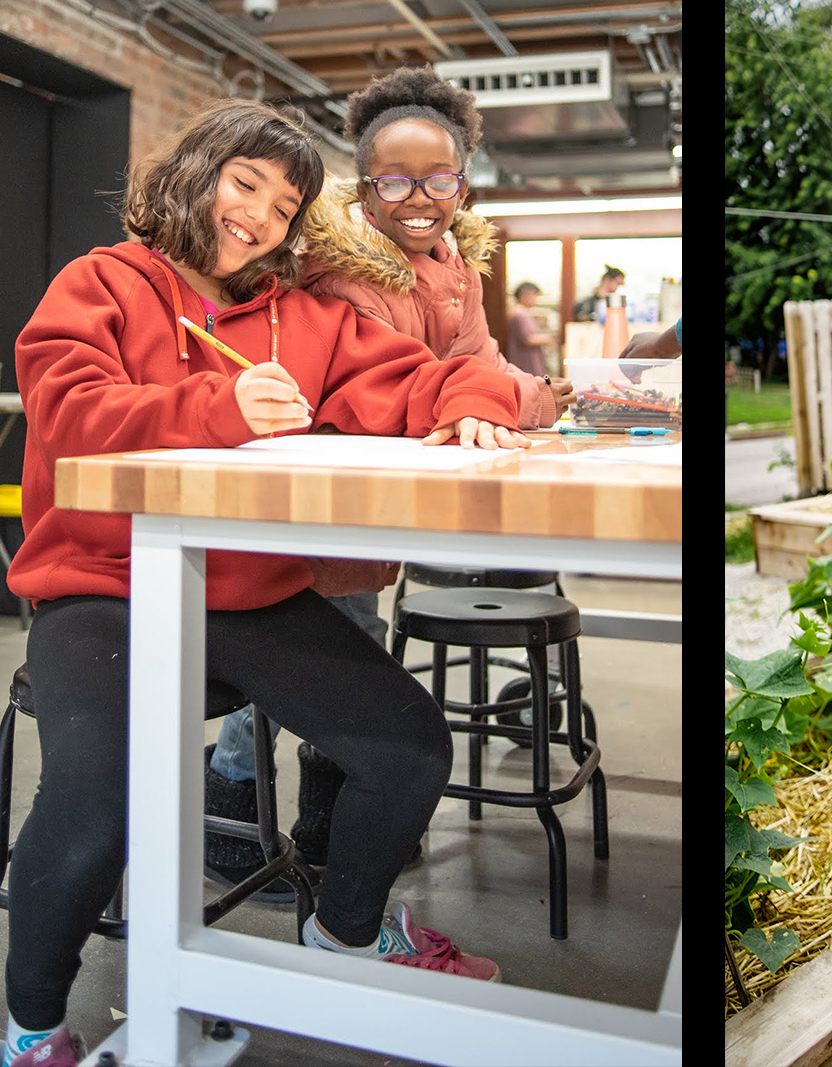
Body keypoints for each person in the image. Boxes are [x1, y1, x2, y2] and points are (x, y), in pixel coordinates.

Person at [0, 99, 524, 1067]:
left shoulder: (300, 318)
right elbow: (67, 413)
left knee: (408, 747)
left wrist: (476, 399)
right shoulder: (99, 283)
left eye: (284, 205)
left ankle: (340, 941)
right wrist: (216, 404)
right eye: (246, 184)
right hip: (101, 585)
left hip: (245, 589)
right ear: (194, 174)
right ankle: (32, 1031)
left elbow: (419, 379)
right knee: (104, 789)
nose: (260, 217)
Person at [200, 67, 573, 900]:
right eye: (395, 180)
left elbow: (475, 370)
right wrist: (518, 395)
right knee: (321, 658)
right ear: (364, 185)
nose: (419, 197)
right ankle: (247, 825)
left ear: (463, 181)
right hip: (316, 503)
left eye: (439, 179)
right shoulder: (340, 276)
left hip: (373, 507)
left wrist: (525, 394)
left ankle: (326, 828)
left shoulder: (455, 268)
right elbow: (400, 394)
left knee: (344, 645)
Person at [506, 281, 554, 376]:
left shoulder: (522, 312)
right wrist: (546, 338)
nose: (535, 299)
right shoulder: (519, 313)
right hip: (524, 361)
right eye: (534, 295)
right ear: (526, 295)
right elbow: (527, 339)